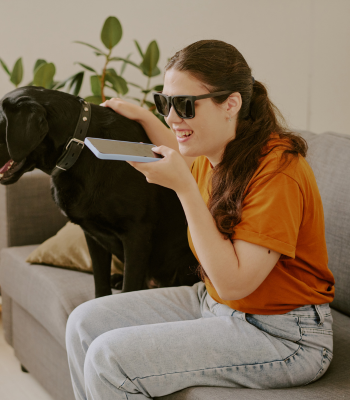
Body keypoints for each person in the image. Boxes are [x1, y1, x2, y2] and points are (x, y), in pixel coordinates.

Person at [65, 39, 335, 400]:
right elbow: (177, 147)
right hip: (215, 305)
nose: (173, 117)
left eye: (185, 105)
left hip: (285, 334)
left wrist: (185, 191)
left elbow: (234, 285)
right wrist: (145, 117)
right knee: (83, 322)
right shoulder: (219, 150)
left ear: (232, 104)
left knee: (108, 357)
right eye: (165, 103)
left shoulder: (278, 171)